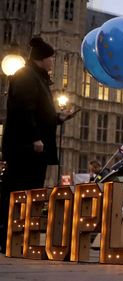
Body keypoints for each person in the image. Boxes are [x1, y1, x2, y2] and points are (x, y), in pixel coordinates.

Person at [0, 37, 74, 253]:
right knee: (18, 192)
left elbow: (40, 113)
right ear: (41, 59)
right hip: (26, 148)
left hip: (33, 149)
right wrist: (34, 138)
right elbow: (24, 109)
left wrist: (59, 117)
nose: (53, 62)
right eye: (51, 58)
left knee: (30, 192)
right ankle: (7, 237)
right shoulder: (26, 77)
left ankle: (19, 238)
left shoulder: (37, 78)